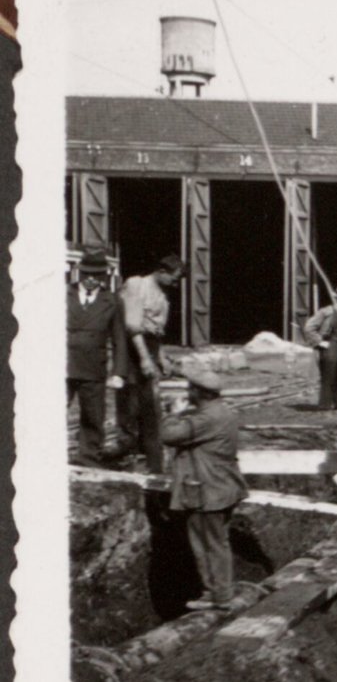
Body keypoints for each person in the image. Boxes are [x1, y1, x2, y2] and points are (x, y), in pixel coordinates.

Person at [160, 362, 248, 612]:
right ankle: (220, 591)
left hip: (206, 491)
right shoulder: (223, 412)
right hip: (224, 487)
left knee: (207, 544)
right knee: (219, 542)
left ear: (198, 392)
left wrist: (173, 413)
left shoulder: (206, 419)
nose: (187, 392)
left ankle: (217, 595)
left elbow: (168, 436)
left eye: (190, 389)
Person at [119, 253, 185, 472]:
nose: (175, 284)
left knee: (150, 405)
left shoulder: (163, 294)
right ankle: (129, 454)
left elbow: (156, 333)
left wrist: (161, 357)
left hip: (150, 346)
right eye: (173, 279)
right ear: (162, 271)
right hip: (133, 348)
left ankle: (149, 456)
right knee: (131, 403)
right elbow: (133, 326)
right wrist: (145, 358)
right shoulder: (137, 285)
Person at [67, 247, 129, 467]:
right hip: (62, 364)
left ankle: (88, 458)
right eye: (87, 274)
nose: (91, 279)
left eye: (97, 275)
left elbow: (119, 339)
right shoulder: (62, 295)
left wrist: (119, 372)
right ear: (79, 272)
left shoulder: (111, 301)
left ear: (105, 275)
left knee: (93, 416)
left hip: (94, 366)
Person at [303, 285, 337, 411]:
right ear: (334, 299)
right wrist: (320, 342)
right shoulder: (325, 312)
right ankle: (325, 406)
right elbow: (309, 328)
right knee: (328, 377)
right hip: (330, 346)